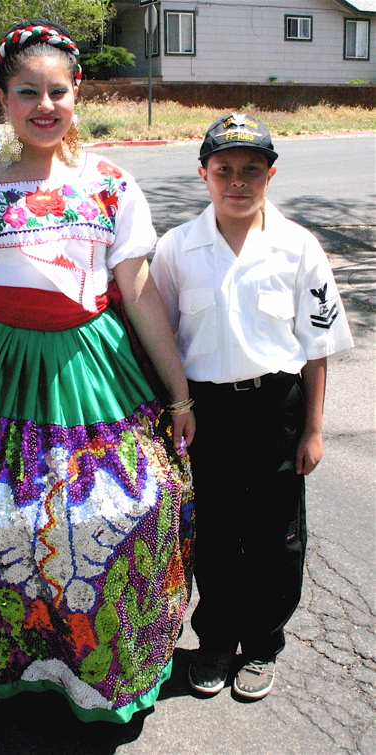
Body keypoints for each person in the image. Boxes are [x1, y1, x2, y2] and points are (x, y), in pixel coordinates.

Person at [0, 20, 195, 723]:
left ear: (77, 95)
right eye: (26, 91)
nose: (44, 105)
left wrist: (179, 392)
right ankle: (13, 652)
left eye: (57, 91)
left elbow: (139, 292)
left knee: (120, 509)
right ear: (3, 98)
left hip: (94, 374)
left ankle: (96, 663)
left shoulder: (108, 184)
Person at [150, 113, 353, 701]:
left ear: (271, 175)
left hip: (276, 410)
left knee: (276, 538)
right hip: (204, 411)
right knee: (212, 534)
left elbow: (315, 353)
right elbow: (160, 338)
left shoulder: (297, 248)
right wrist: (174, 406)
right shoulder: (177, 248)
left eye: (251, 171)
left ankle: (262, 646)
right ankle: (213, 641)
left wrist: (312, 431)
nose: (237, 181)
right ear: (203, 174)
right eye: (224, 170)